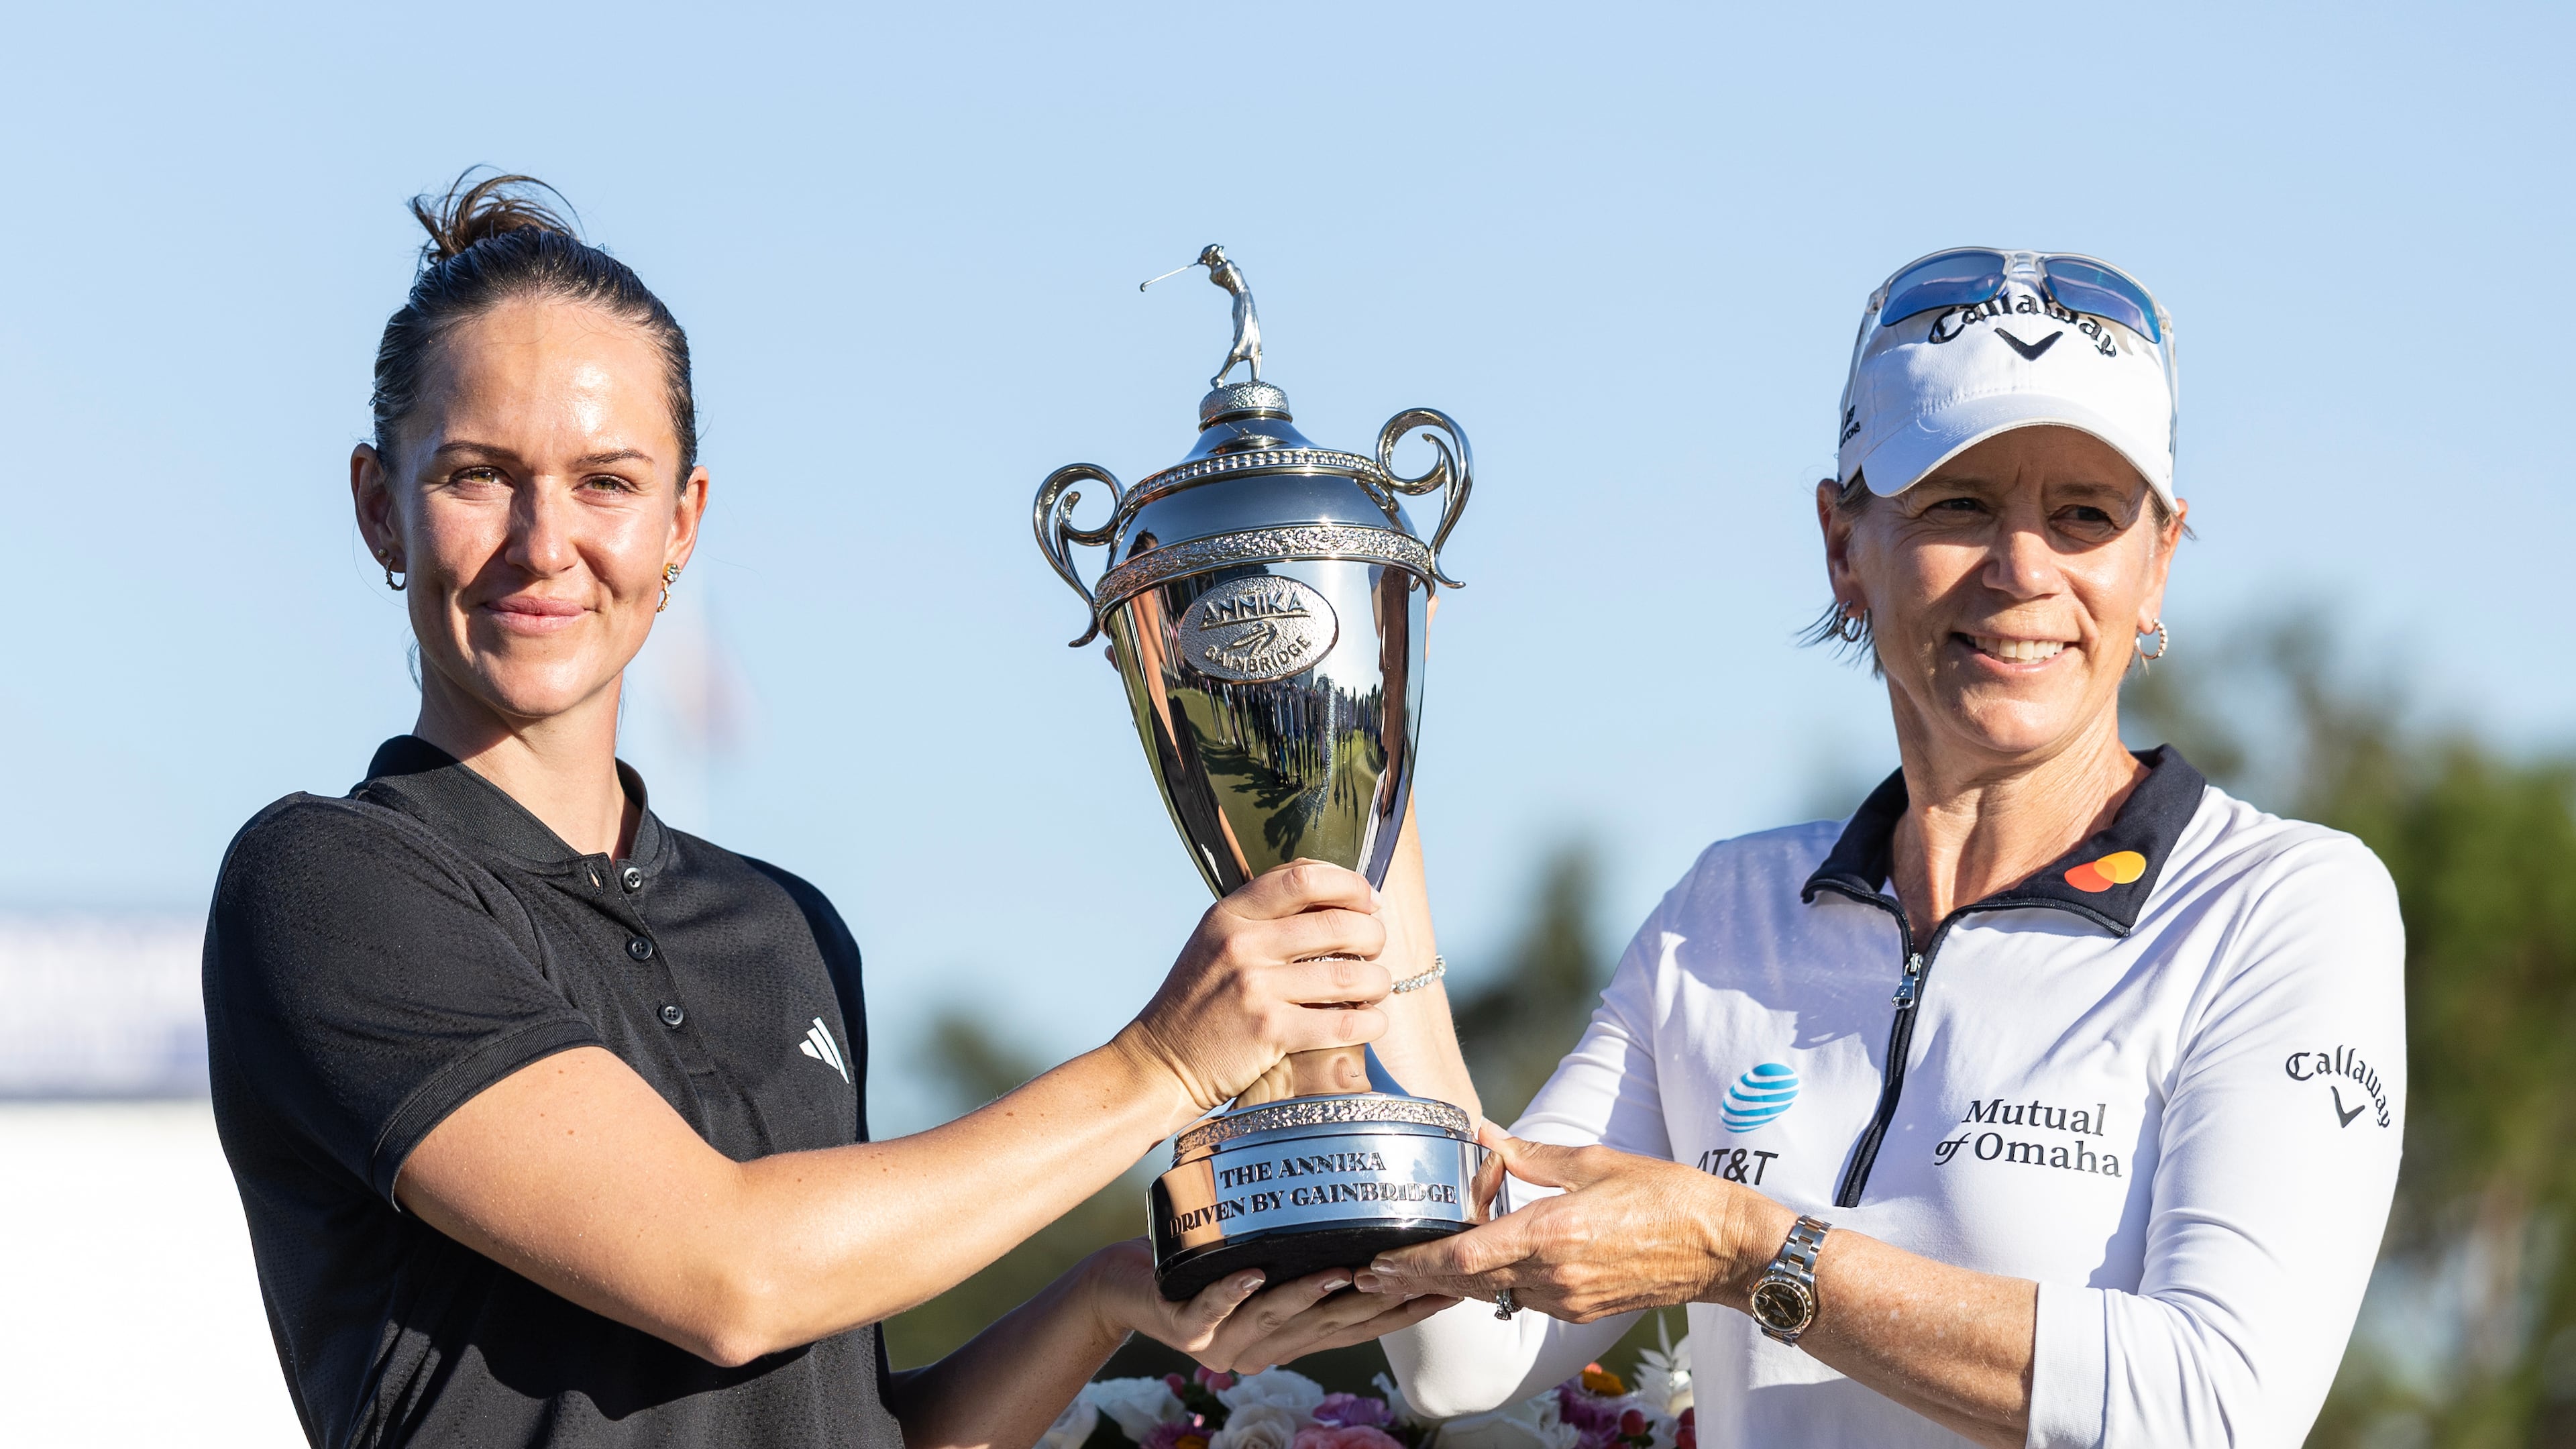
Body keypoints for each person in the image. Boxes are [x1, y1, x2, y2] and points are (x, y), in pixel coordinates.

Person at [201, 172, 1468, 1449]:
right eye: (478, 474)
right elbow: (730, 1278)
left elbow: (855, 1424)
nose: (545, 542)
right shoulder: (327, 884)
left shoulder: (785, 926)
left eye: (606, 482)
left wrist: (1103, 1301)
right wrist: (1164, 1066)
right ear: (378, 505)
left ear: (684, 519)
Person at [1358, 249, 2406, 1448]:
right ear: (1842, 546)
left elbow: (2217, 1407)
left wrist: (1751, 1252)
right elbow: (1458, 1349)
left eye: (2085, 516)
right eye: (1958, 503)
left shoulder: (2282, 907)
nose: (2023, 569)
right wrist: (1363, 794)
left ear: (2158, 562)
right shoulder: (1729, 911)